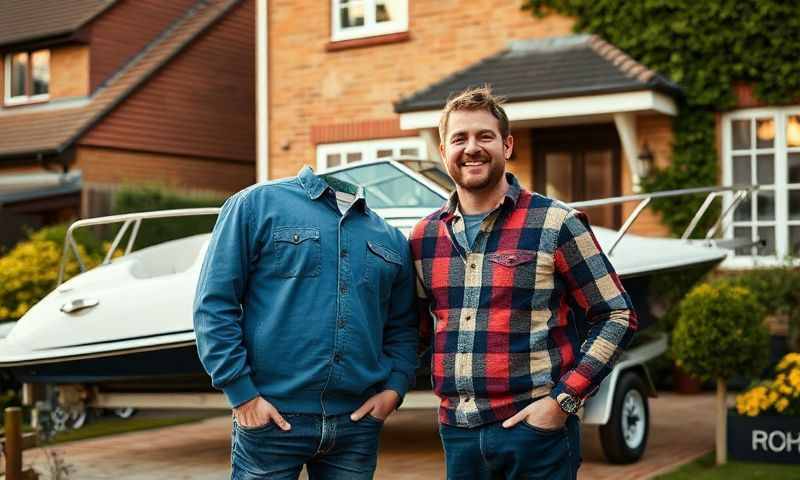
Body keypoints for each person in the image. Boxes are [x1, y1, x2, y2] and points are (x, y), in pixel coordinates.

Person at [409, 86, 638, 479]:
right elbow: (414, 332)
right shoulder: (424, 237)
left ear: (507, 145)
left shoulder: (556, 223)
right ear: (443, 151)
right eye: (459, 139)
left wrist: (562, 402)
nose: (472, 148)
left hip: (536, 432)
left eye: (485, 136)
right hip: (458, 435)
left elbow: (616, 315)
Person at [194, 167, 418, 479]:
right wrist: (242, 395)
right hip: (270, 419)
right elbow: (214, 305)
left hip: (356, 428)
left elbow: (404, 327)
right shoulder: (255, 205)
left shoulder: (390, 238)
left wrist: (395, 389)